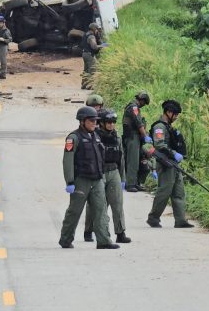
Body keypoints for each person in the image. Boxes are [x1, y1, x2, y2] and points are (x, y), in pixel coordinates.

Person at [59, 106, 120, 249]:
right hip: (81, 181)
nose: (94, 123)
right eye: (91, 120)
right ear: (82, 121)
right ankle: (66, 239)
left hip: (97, 180)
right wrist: (70, 181)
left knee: (101, 210)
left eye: (96, 121)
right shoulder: (73, 138)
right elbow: (67, 160)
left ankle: (104, 240)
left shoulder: (96, 136)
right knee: (74, 211)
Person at [83, 109, 131, 244]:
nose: (111, 125)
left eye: (114, 122)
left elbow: (121, 158)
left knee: (117, 203)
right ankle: (89, 230)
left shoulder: (117, 137)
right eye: (108, 122)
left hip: (114, 171)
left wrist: (123, 178)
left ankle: (120, 232)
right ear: (102, 123)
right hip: (99, 173)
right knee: (96, 204)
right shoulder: (95, 137)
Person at [146, 100, 194, 229]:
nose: (177, 117)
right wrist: (174, 154)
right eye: (176, 114)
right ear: (168, 112)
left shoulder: (168, 126)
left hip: (173, 163)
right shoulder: (159, 127)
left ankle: (180, 220)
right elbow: (159, 145)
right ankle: (153, 217)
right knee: (164, 191)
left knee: (179, 191)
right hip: (165, 163)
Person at [122, 91, 152, 192]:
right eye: (144, 103)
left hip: (134, 137)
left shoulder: (133, 106)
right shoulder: (134, 107)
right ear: (142, 100)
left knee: (139, 160)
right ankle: (130, 184)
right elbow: (138, 123)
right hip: (132, 137)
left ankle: (136, 183)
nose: (144, 105)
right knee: (133, 161)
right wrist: (145, 136)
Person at [80, 23, 105, 90]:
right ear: (94, 29)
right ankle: (91, 86)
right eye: (97, 29)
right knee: (93, 69)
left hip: (84, 53)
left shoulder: (86, 34)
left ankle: (84, 84)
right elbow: (94, 47)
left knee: (86, 70)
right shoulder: (91, 36)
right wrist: (103, 45)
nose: (97, 31)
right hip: (89, 55)